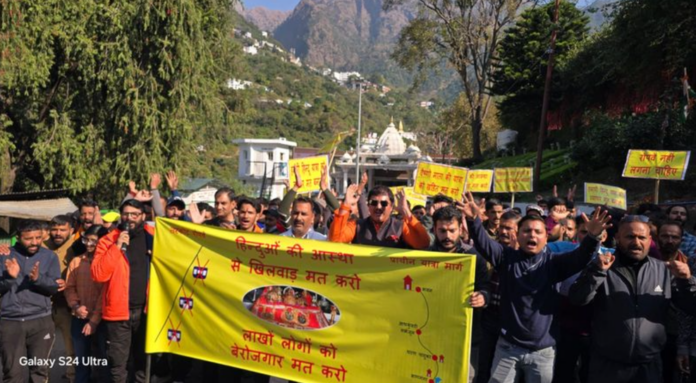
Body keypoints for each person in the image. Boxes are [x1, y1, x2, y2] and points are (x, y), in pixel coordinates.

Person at [460, 192, 611, 383]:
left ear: (546, 238)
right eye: (527, 231)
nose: (532, 235)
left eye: (538, 232)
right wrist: (473, 220)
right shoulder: (505, 258)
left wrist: (593, 236)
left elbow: (581, 256)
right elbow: (484, 243)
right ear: (518, 234)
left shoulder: (555, 264)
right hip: (507, 348)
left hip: (543, 353)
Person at [569, 215, 696, 383]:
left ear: (650, 239)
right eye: (630, 236)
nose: (636, 242)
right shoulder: (602, 266)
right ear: (617, 238)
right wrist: (596, 272)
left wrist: (686, 281)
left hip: (648, 366)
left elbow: (690, 307)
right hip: (607, 366)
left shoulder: (663, 270)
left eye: (642, 237)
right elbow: (578, 299)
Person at [92, 200, 154, 383]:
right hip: (118, 314)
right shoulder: (107, 240)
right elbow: (98, 275)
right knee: (118, 365)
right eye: (126, 214)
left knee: (143, 362)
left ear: (143, 216)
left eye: (135, 214)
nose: (130, 218)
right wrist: (117, 247)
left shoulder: (154, 236)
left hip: (146, 312)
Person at [428, 206, 489, 382]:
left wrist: (483, 297)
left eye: (452, 230)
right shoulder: (423, 256)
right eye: (442, 231)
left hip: (467, 336)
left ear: (460, 229)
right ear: (434, 230)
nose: (447, 236)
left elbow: (485, 285)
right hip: (433, 333)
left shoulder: (474, 256)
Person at [0, 220, 63, 383]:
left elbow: (54, 288)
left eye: (38, 237)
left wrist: (38, 279)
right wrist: (9, 278)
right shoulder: (4, 255)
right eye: (29, 238)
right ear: (18, 237)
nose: (34, 242)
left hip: (40, 321)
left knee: (39, 372)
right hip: (10, 321)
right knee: (12, 373)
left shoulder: (49, 257)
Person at [66, 225, 108, 383]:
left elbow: (105, 294)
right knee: (82, 361)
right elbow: (69, 288)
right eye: (86, 240)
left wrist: (94, 320)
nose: (89, 244)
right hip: (79, 318)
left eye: (94, 241)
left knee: (103, 361)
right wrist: (76, 307)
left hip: (102, 320)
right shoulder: (77, 261)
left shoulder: (107, 264)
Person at [329, 185, 430, 249]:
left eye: (384, 203)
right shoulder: (357, 225)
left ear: (391, 207)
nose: (378, 207)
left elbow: (422, 243)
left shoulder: (400, 226)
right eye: (374, 203)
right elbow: (335, 240)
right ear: (368, 206)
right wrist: (346, 204)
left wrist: (406, 212)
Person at [46, 214, 79, 382]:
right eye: (54, 229)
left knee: (70, 346)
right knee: (42, 347)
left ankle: (71, 376)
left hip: (67, 306)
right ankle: (41, 378)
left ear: (71, 230)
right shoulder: (42, 246)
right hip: (44, 305)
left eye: (62, 229)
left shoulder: (77, 246)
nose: (58, 233)